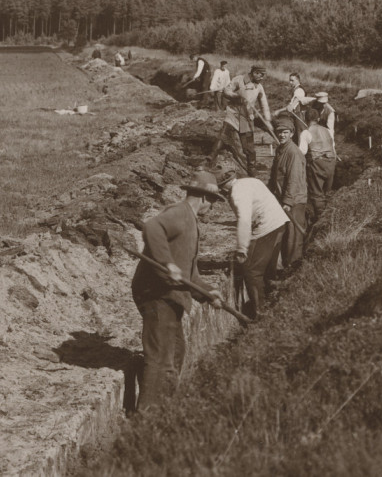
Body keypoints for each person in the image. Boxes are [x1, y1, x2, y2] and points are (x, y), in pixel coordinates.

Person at [131, 172, 225, 410]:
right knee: (161, 357)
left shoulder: (192, 222)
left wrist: (209, 292)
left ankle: (166, 407)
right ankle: (148, 415)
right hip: (156, 294)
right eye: (213, 202)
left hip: (171, 296)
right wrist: (167, 263)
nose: (212, 208)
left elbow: (190, 274)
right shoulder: (180, 214)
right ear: (205, 198)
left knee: (176, 354)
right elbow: (152, 227)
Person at [220, 169, 288, 320]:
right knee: (268, 268)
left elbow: (244, 220)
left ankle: (261, 313)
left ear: (223, 186)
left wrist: (242, 248)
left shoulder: (237, 193)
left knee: (251, 270)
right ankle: (274, 302)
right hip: (279, 223)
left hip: (267, 226)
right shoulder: (250, 181)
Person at [212, 64, 273, 174]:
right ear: (255, 73)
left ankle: (251, 168)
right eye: (261, 75)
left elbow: (264, 105)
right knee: (222, 137)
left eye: (263, 75)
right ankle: (210, 159)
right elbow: (226, 90)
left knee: (249, 146)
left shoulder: (259, 87)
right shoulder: (239, 80)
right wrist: (235, 96)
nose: (262, 77)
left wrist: (267, 120)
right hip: (234, 114)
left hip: (246, 117)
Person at [268, 117, 310, 269]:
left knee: (294, 235)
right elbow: (274, 176)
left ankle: (293, 266)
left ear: (292, 133)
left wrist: (287, 202)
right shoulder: (281, 149)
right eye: (279, 132)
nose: (282, 135)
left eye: (285, 132)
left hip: (295, 200)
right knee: (285, 234)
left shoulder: (293, 153)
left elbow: (293, 179)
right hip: (283, 198)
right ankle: (284, 263)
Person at [299, 106, 337, 213]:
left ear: (305, 120)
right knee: (328, 191)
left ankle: (320, 217)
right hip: (331, 162)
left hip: (317, 164)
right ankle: (329, 213)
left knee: (316, 193)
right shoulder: (328, 131)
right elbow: (333, 146)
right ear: (318, 119)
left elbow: (302, 152)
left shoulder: (306, 133)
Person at [272, 73, 308, 137]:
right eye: (289, 80)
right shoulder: (295, 90)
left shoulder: (299, 90)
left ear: (298, 80)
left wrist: (278, 111)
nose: (290, 82)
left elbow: (291, 106)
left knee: (300, 134)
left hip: (299, 115)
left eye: (292, 80)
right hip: (296, 114)